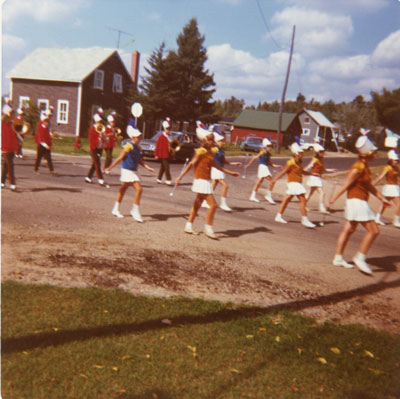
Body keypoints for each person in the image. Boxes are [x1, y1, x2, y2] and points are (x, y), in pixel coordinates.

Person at [327, 135, 391, 275]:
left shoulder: (365, 167)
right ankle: (360, 257)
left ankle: (338, 258)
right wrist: (332, 200)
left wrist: (381, 198)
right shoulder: (357, 168)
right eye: (374, 152)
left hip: (358, 200)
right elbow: (345, 185)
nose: (376, 154)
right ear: (367, 154)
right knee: (374, 231)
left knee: (348, 230)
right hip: (357, 201)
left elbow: (369, 186)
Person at [174, 126, 240, 239]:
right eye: (210, 140)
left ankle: (188, 226)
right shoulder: (201, 152)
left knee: (197, 204)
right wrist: (180, 176)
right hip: (201, 180)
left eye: (212, 139)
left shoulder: (210, 153)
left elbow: (217, 166)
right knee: (213, 205)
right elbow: (191, 164)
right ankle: (208, 228)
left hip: (206, 181)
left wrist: (230, 173)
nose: (212, 142)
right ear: (204, 140)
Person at [105, 125, 154, 222]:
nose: (139, 139)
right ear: (132, 138)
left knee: (122, 190)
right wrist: (109, 168)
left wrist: (147, 167)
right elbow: (120, 158)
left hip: (134, 171)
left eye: (140, 137)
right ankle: (134, 211)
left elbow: (139, 160)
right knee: (139, 189)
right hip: (127, 171)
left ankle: (115, 209)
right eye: (137, 137)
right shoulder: (128, 146)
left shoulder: (138, 148)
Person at [269, 142, 316, 228]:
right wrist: (274, 179)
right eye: (300, 153)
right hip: (293, 183)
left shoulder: (299, 162)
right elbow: (283, 172)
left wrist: (312, 174)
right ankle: (304, 219)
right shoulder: (290, 162)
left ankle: (278, 216)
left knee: (286, 200)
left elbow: (302, 172)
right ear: (296, 153)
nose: (302, 155)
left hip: (298, 183)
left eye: (302, 153)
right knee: (303, 200)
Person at [210, 129, 241, 212]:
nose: (223, 142)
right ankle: (223, 204)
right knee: (225, 185)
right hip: (216, 169)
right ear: (216, 142)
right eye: (221, 141)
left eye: (223, 141)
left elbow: (223, 160)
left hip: (219, 169)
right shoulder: (215, 149)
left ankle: (205, 201)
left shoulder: (221, 150)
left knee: (214, 185)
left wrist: (233, 163)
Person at [245, 138, 282, 204]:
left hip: (264, 167)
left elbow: (269, 163)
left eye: (270, 146)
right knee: (272, 181)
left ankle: (252, 196)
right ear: (265, 146)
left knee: (259, 182)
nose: (270, 147)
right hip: (262, 167)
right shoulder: (262, 152)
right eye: (268, 146)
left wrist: (277, 166)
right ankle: (268, 195)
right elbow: (254, 158)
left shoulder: (268, 154)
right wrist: (248, 165)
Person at [304, 143, 338, 213]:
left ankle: (303, 205)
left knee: (310, 193)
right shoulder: (315, 159)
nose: (323, 154)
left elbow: (323, 170)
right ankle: (321, 208)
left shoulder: (321, 160)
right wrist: (303, 171)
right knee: (322, 193)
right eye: (321, 152)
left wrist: (332, 170)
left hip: (318, 178)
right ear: (317, 153)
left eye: (323, 152)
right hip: (314, 178)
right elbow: (309, 166)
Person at [373, 149, 400, 228]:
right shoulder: (387, 168)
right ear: (390, 160)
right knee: (399, 204)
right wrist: (372, 184)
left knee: (385, 203)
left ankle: (377, 218)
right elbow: (380, 177)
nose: (396, 162)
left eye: (397, 160)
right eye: (395, 160)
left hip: (395, 187)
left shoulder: (397, 168)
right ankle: (396, 220)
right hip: (390, 188)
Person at [85, 114, 108, 187]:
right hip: (94, 149)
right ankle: (100, 180)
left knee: (94, 165)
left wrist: (103, 137)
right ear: (95, 122)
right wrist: (99, 138)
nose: (99, 123)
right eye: (98, 122)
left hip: (99, 149)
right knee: (97, 164)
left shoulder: (102, 129)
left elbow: (106, 140)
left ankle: (88, 178)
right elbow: (91, 140)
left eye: (100, 121)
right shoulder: (92, 129)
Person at [1, 105, 18, 190]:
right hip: (4, 148)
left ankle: (2, 182)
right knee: (10, 165)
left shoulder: (12, 124)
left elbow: (14, 136)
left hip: (11, 147)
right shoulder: (2, 124)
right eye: (12, 114)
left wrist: (16, 147)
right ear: (8, 114)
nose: (13, 116)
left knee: (5, 165)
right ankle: (12, 184)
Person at [155, 119, 172, 185]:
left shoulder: (169, 136)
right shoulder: (161, 136)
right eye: (167, 129)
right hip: (163, 154)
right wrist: (156, 154)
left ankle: (159, 179)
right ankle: (168, 179)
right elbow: (158, 146)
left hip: (168, 154)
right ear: (164, 129)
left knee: (163, 167)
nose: (168, 130)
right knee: (167, 167)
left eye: (169, 129)